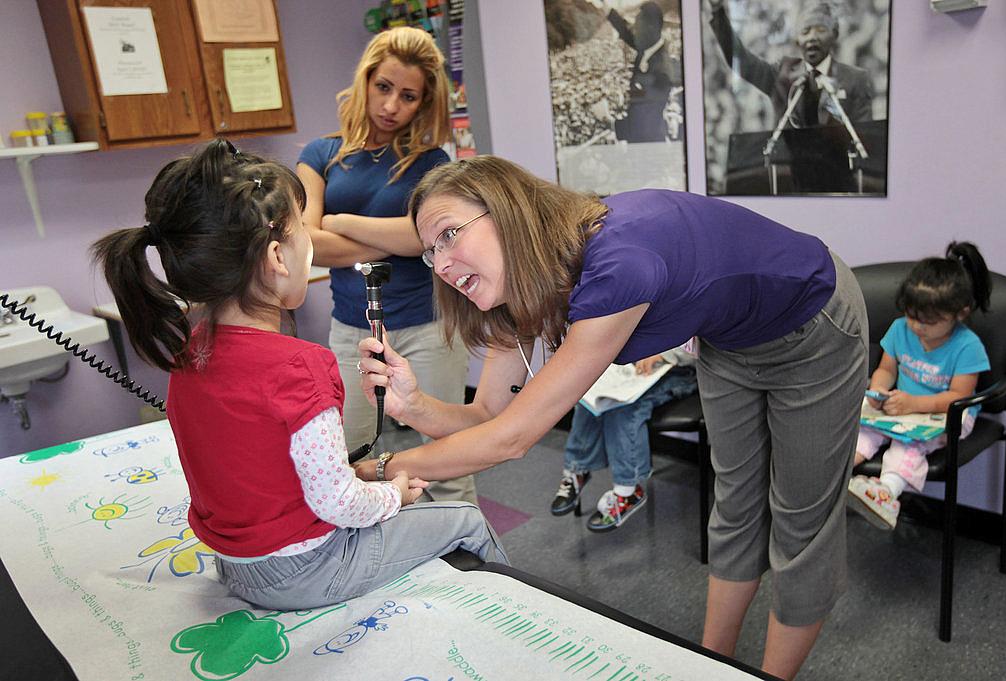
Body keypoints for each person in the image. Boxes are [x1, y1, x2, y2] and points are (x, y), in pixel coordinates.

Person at [354, 155, 867, 680]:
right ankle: (714, 669)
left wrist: (363, 475)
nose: (439, 265)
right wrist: (413, 407)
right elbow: (487, 415)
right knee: (736, 507)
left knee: (801, 523)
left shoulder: (618, 262)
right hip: (729, 342)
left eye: (447, 236)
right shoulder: (523, 286)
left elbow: (510, 439)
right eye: (429, 253)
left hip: (813, 319)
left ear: (506, 213)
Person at [91, 140, 506, 611]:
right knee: (466, 519)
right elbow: (337, 504)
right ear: (277, 258)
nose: (311, 243)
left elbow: (263, 468)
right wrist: (392, 495)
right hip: (308, 569)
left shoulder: (191, 357)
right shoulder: (300, 367)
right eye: (302, 231)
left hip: (237, 565)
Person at [297, 26, 476, 503]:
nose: (392, 105)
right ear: (366, 80)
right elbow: (308, 244)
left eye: (408, 95)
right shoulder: (321, 154)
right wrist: (400, 238)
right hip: (350, 331)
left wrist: (341, 220)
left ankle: (475, 562)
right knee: (346, 455)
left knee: (451, 460)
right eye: (384, 87)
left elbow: (425, 234)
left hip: (427, 327)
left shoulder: (431, 161)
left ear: (424, 102)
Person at [849, 242, 991, 531]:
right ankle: (838, 479)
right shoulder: (900, 328)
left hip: (945, 414)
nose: (917, 327)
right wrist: (879, 391)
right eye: (912, 316)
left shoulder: (967, 346)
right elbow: (887, 369)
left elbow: (960, 396)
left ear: (960, 313)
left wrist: (913, 404)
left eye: (928, 321)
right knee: (861, 431)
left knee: (908, 445)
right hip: (901, 408)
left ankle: (886, 493)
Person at [552, 346, 697, 532]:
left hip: (679, 369)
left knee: (625, 408)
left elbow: (700, 338)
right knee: (589, 393)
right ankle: (577, 469)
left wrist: (664, 353)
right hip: (635, 360)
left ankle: (628, 491)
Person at [708, 0, 873, 130]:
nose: (812, 37)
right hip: (788, 170)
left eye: (821, 30)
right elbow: (741, 61)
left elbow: (865, 138)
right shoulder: (783, 74)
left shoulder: (855, 79)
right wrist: (717, 11)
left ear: (834, 34)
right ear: (797, 40)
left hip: (839, 168)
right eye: (805, 31)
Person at [591, 0, 682, 143]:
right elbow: (627, 32)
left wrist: (607, 119)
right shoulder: (649, 47)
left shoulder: (661, 71)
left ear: (650, 28)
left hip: (648, 146)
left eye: (637, 26)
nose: (634, 29)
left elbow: (642, 125)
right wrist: (607, 10)